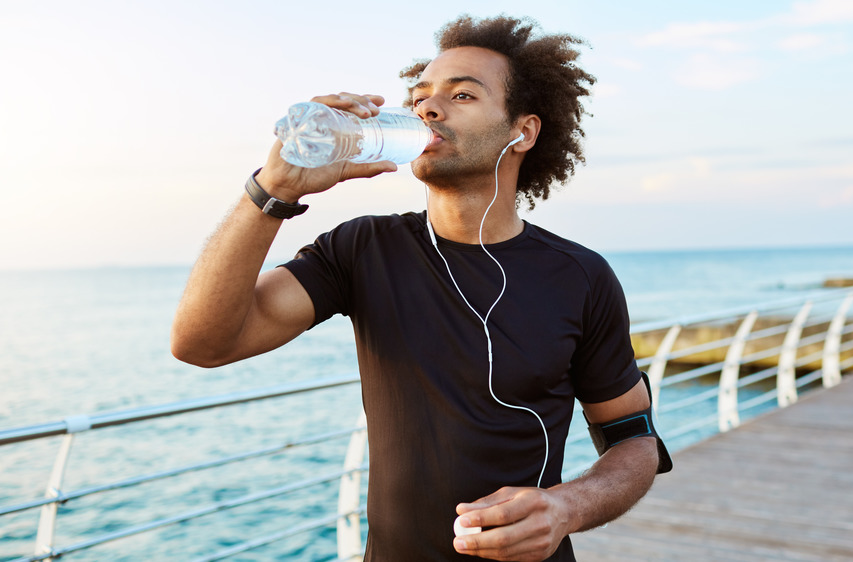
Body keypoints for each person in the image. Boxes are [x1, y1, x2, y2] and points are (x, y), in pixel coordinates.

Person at [172, 14, 666, 562]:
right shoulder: (362, 249)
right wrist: (273, 191)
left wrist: (567, 507)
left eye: (461, 95)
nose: (429, 108)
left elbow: (633, 441)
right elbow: (202, 343)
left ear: (522, 132)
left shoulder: (580, 276)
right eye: (420, 96)